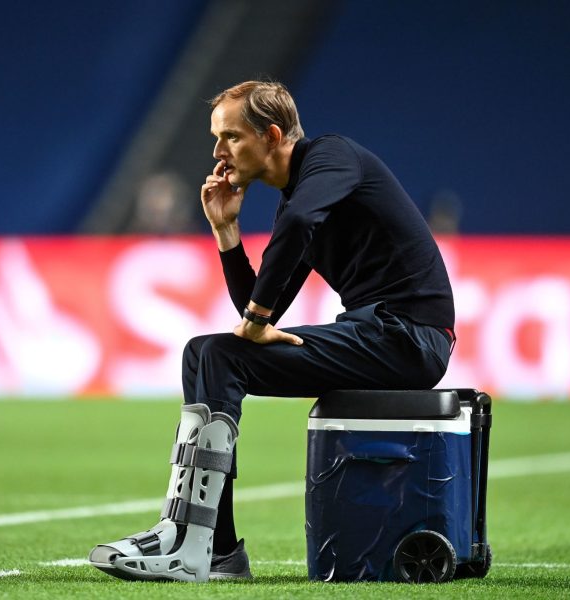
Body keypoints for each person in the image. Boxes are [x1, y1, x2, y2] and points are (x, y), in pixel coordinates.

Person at [90, 80, 455, 582]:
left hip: (410, 336)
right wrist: (226, 232)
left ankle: (194, 544)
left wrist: (258, 318)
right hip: (380, 332)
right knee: (205, 352)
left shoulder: (332, 157)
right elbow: (260, 307)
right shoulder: (299, 200)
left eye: (231, 137)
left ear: (273, 135)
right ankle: (213, 548)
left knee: (220, 355)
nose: (218, 152)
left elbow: (273, 284)